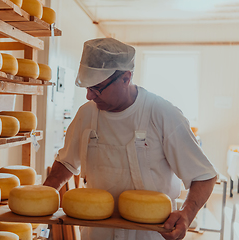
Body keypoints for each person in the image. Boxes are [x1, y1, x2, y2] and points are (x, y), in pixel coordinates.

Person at [43, 38, 218, 240]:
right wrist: (40, 199)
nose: (89, 96)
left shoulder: (162, 113)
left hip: (149, 234)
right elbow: (66, 163)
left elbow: (204, 175)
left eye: (97, 88)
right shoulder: (87, 115)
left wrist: (186, 215)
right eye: (87, 88)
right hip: (97, 233)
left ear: (126, 78)